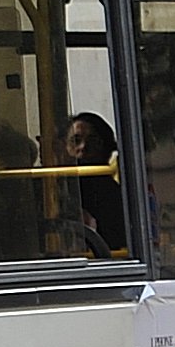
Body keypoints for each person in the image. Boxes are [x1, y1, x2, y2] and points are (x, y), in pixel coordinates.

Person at [62, 110, 130, 258]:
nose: (83, 147)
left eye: (93, 141)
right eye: (76, 140)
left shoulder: (114, 195)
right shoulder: (55, 190)